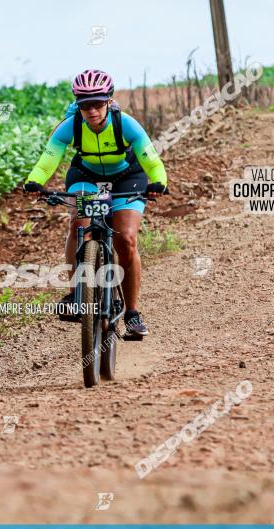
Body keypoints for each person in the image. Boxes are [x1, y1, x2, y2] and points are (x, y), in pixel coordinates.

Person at [24, 68, 169, 338]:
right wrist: (35, 181)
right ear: (77, 105)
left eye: (98, 103)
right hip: (86, 176)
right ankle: (74, 295)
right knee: (78, 224)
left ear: (109, 101)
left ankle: (132, 313)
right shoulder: (71, 126)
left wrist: (158, 181)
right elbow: (48, 159)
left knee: (125, 239)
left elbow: (152, 160)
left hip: (127, 177)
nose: (92, 111)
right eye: (85, 105)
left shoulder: (126, 124)